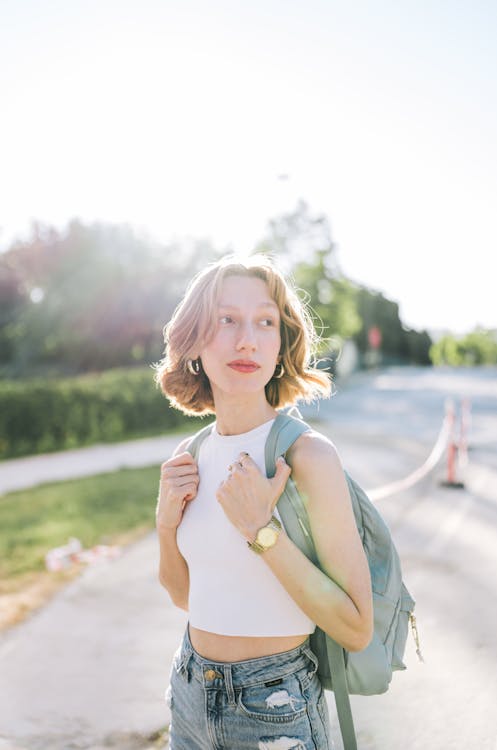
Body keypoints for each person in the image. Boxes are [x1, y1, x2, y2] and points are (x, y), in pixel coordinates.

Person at [153, 255, 373, 750]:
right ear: (194, 342)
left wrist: (261, 532)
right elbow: (187, 596)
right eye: (226, 319)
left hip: (273, 708)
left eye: (265, 322)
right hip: (189, 691)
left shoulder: (306, 455)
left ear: (281, 345)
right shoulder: (190, 456)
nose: (246, 339)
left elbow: (356, 627)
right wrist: (166, 527)